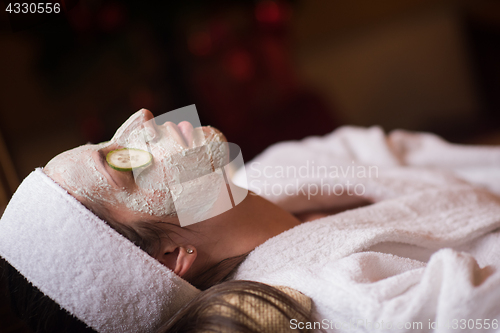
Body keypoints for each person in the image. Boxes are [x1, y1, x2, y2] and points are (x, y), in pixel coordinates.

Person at [2, 107, 500, 332]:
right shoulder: (347, 303)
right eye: (121, 163)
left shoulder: (283, 166)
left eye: (109, 138)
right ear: (173, 257)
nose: (141, 117)